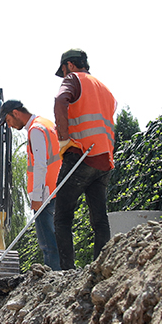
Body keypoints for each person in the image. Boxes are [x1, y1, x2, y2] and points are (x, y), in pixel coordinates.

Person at [52, 48, 116, 270]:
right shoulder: (105, 89)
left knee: (62, 218)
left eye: (63, 70)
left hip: (80, 155)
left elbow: (60, 100)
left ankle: (67, 273)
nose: (63, 74)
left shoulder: (73, 79)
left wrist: (63, 138)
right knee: (100, 220)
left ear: (69, 65)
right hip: (104, 159)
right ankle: (100, 268)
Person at [1, 99, 61, 270]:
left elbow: (40, 165)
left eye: (8, 120)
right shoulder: (46, 124)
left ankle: (54, 278)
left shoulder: (35, 130)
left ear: (16, 113)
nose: (9, 125)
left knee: (48, 245)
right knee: (59, 240)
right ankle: (64, 274)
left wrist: (37, 197)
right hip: (57, 190)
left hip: (46, 195)